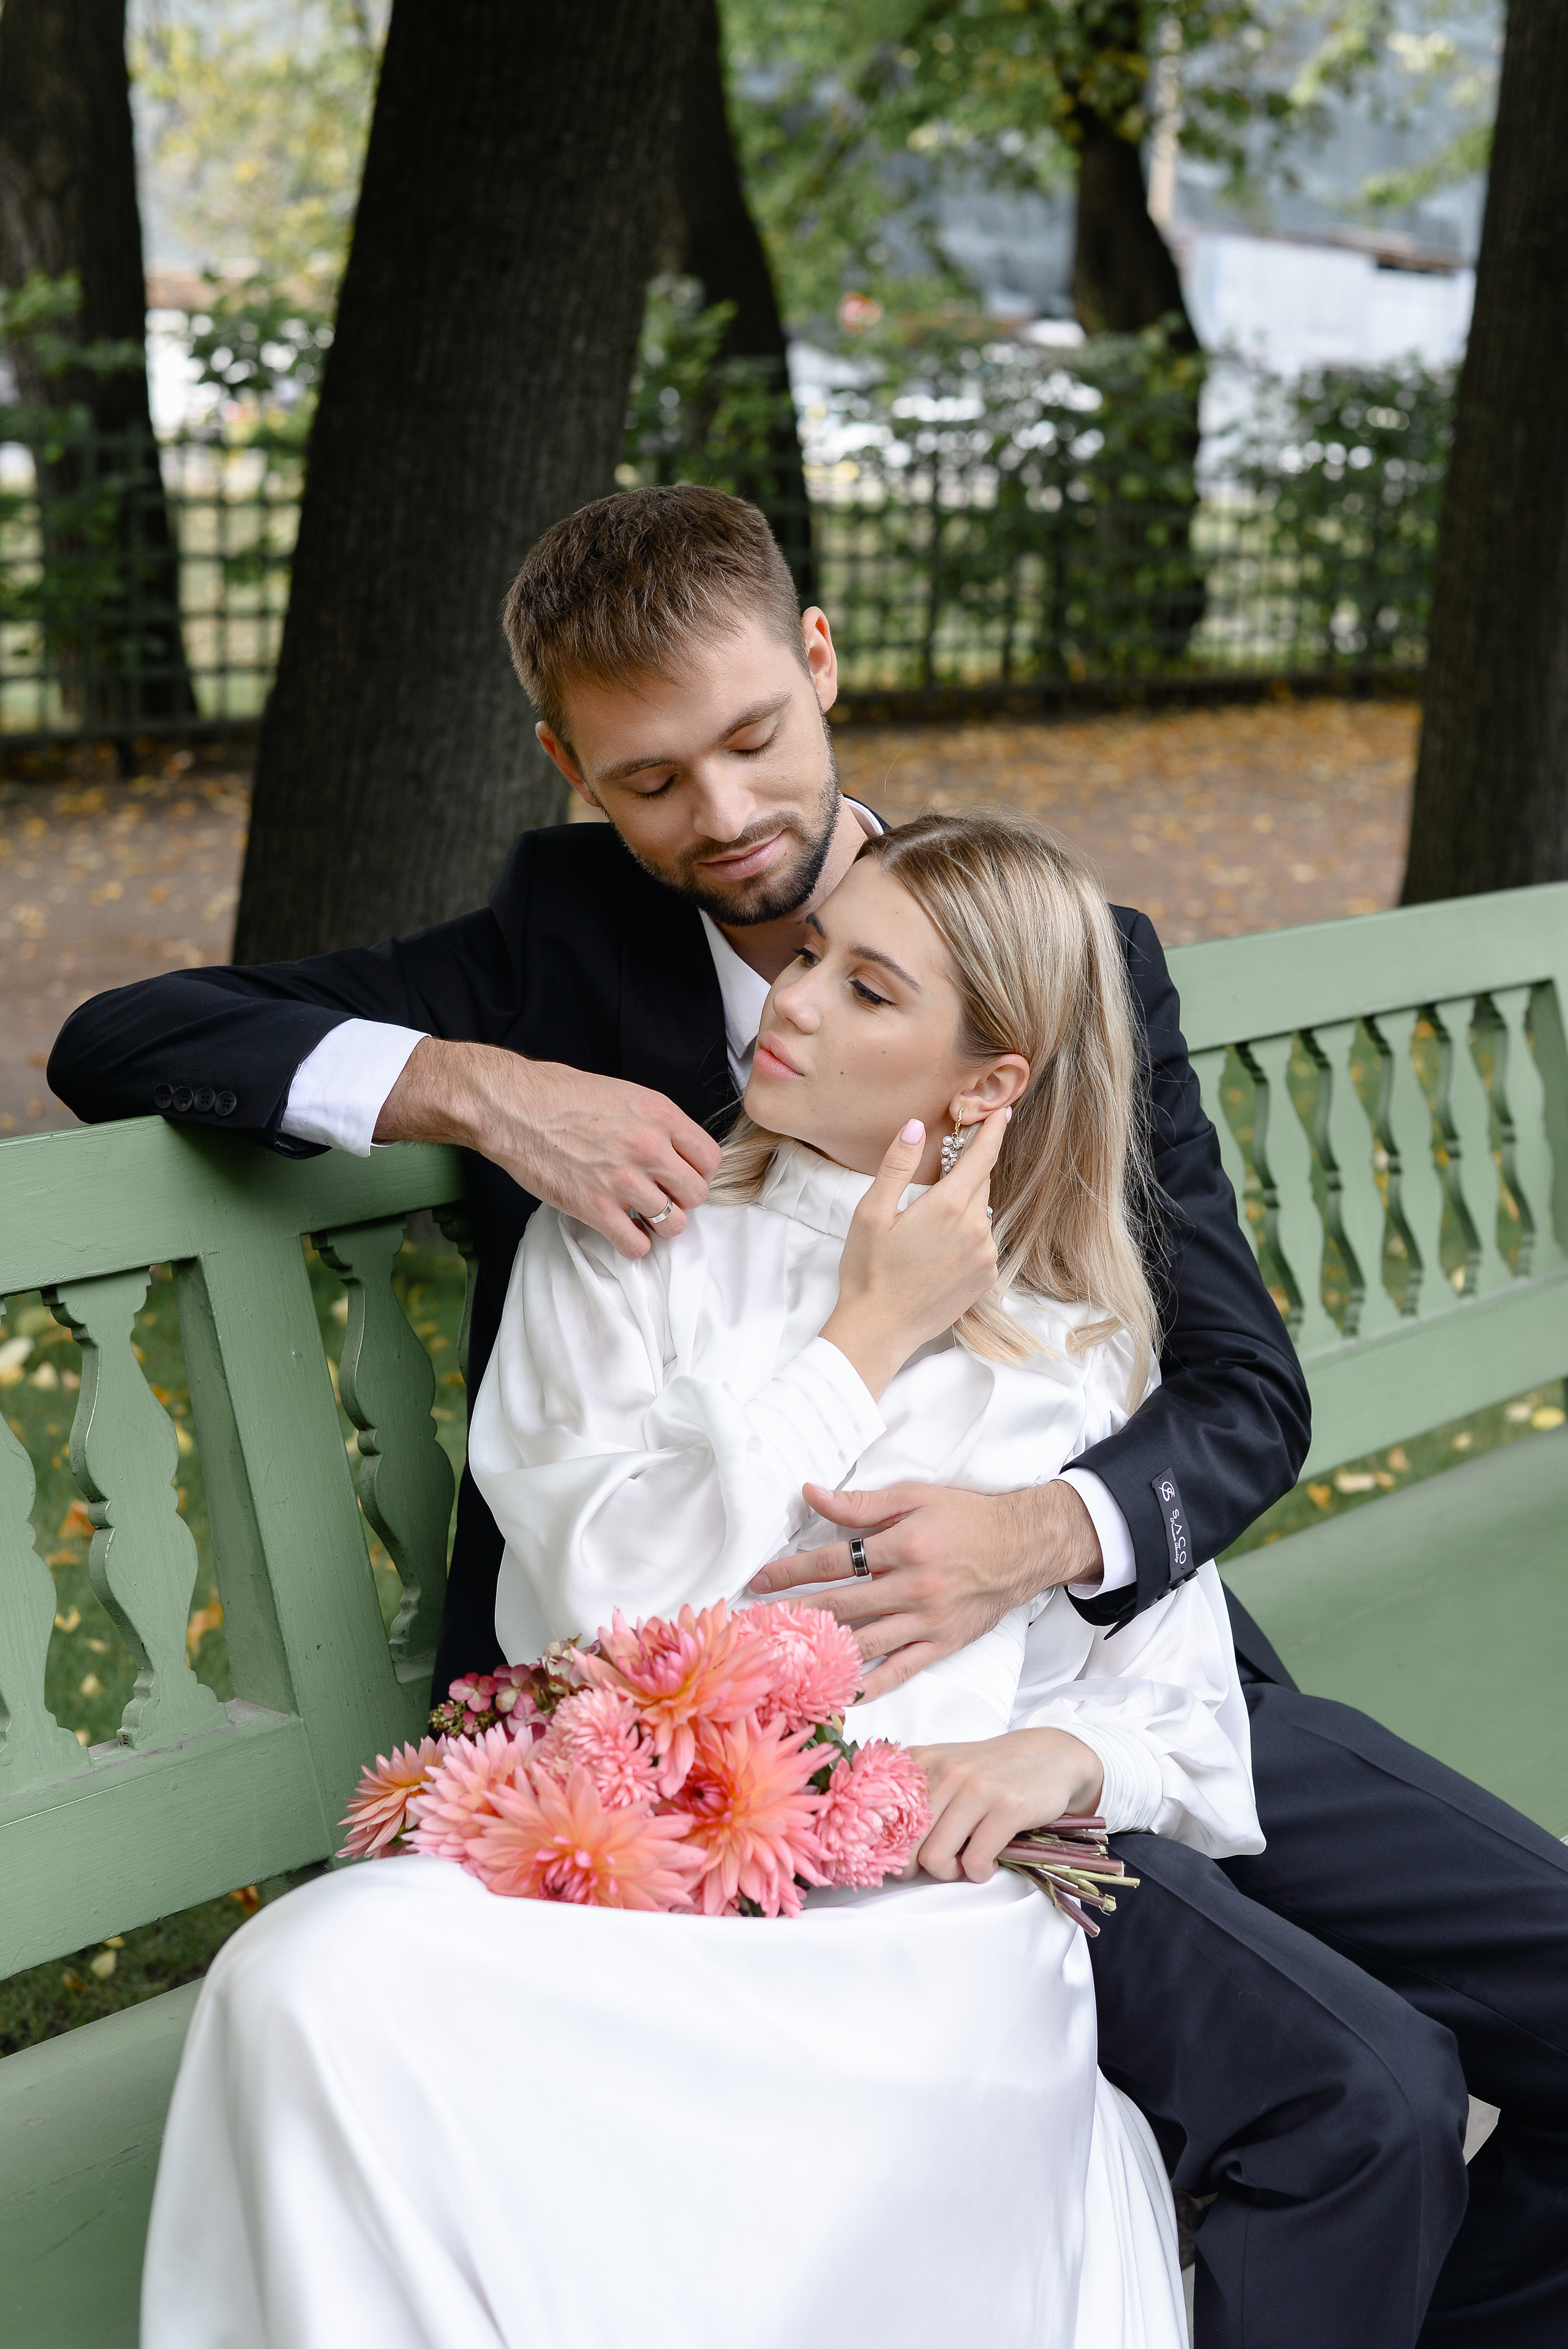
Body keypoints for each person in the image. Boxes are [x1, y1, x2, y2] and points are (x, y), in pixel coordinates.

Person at [50, 486, 1568, 2349]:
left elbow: (1241, 1388)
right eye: (651, 781)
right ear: (572, 771)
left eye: (757, 738)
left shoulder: (1060, 949)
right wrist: (482, 1088)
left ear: (822, 659)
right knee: (1357, 2091)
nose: (728, 817)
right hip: (725, 1710)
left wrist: (1041, 1539)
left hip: (1106, 1663)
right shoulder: (555, 953)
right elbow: (122, 1037)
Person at [141, 812, 1263, 2349]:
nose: (790, 1002)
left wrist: (1058, 1750)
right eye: (808, 958)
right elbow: (613, 1613)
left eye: (869, 992)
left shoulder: (1075, 1343)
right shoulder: (625, 1244)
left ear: (987, 1084)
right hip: (616, 1885)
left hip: (919, 1934)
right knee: (306, 1977)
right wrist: (857, 1342)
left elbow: (1189, 1726)